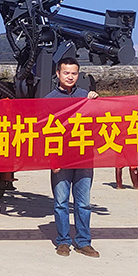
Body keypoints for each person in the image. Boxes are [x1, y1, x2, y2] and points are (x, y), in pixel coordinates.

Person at [44, 57, 100, 258]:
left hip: (84, 157)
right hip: (61, 159)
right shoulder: (49, 100)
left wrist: (96, 101)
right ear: (58, 74)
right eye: (66, 72)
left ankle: (84, 242)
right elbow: (46, 133)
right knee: (61, 202)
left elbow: (100, 121)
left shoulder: (86, 96)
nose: (70, 76)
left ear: (78, 75)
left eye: (74, 73)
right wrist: (52, 159)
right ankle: (63, 241)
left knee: (83, 203)